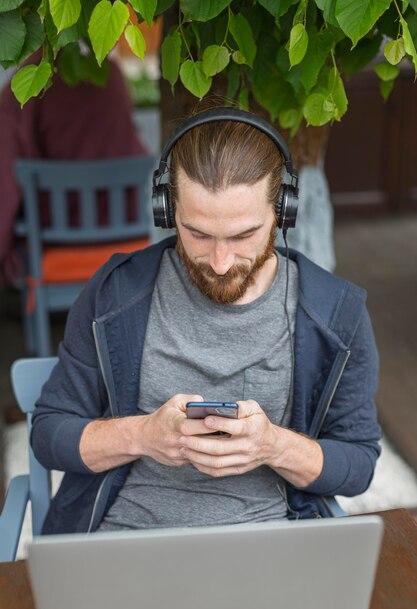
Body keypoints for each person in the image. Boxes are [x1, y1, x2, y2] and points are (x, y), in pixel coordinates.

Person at [30, 107, 381, 534]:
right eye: (197, 233)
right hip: (122, 541)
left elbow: (358, 464)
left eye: (242, 235)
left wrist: (273, 446)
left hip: (266, 544)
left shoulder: (335, 313)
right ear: (166, 209)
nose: (219, 262)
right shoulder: (115, 292)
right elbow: (49, 434)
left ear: (282, 212)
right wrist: (143, 435)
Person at [0, 49, 148, 284]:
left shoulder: (25, 85)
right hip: (127, 240)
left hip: (56, 246)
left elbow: (5, 182)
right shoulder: (111, 75)